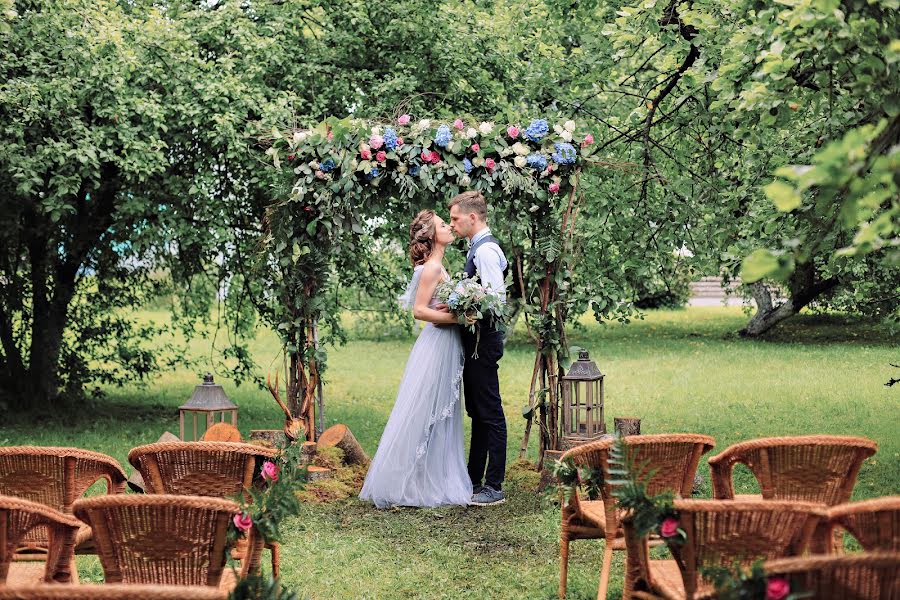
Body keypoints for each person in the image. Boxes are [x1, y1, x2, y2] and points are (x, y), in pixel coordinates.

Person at [359, 210, 472, 508]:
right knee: (424, 410)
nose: (449, 227)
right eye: (443, 225)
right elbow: (420, 311)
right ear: (432, 236)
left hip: (445, 343)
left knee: (440, 412)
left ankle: (429, 476)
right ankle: (405, 482)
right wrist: (458, 318)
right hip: (436, 344)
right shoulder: (431, 268)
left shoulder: (438, 265)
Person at [447, 191, 509, 507]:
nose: (452, 224)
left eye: (455, 219)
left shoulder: (485, 251)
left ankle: (494, 485)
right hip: (476, 343)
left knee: (490, 413)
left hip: (483, 343)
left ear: (473, 217)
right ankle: (473, 479)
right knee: (478, 413)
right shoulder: (476, 249)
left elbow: (496, 300)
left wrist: (465, 308)